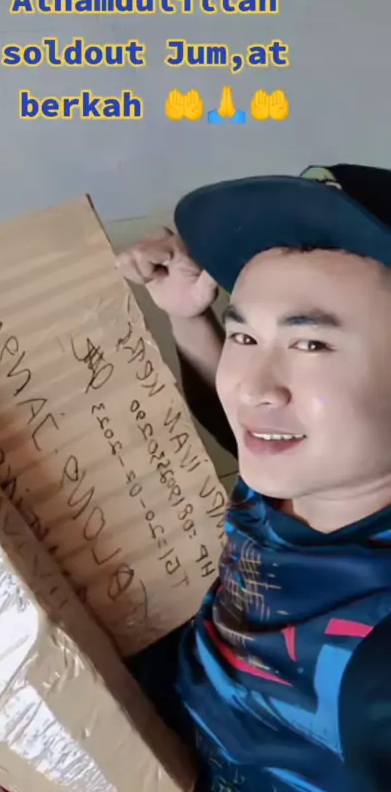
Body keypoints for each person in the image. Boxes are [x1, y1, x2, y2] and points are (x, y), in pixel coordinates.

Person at [119, 164, 391, 792]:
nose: (253, 387)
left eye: (311, 345)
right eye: (245, 335)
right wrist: (190, 317)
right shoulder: (294, 482)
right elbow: (249, 426)